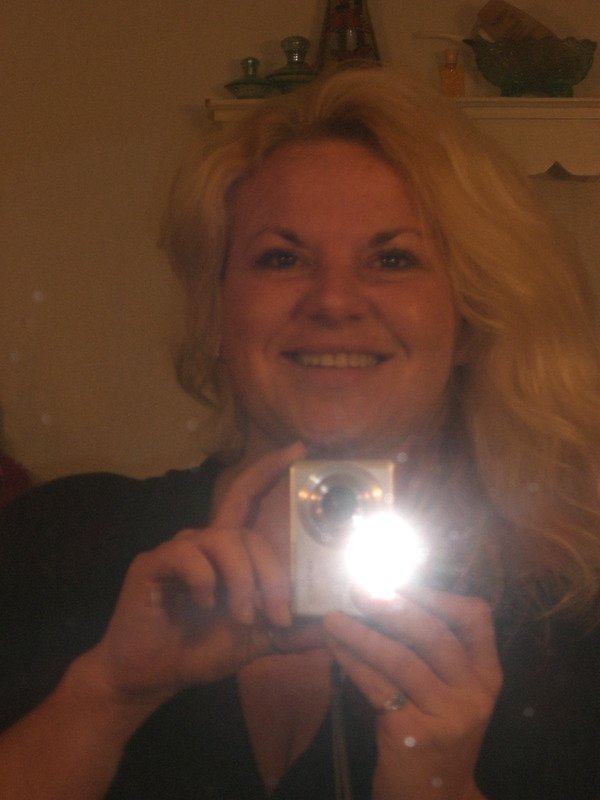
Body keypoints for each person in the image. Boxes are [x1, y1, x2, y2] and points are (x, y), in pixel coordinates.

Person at [0, 66, 599, 800]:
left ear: (470, 320)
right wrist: (103, 699)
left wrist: (439, 784)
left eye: (393, 259)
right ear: (216, 312)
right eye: (281, 258)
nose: (334, 301)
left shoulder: (567, 611)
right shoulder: (56, 543)